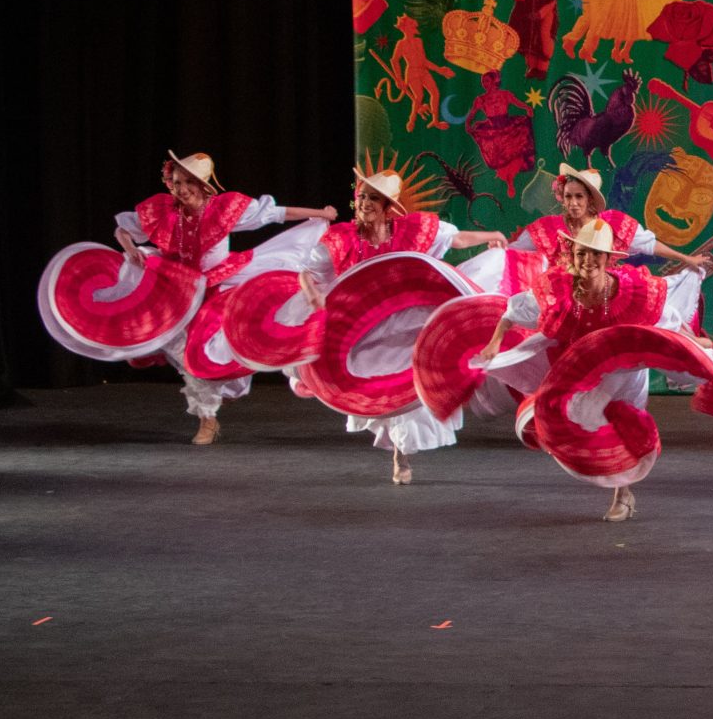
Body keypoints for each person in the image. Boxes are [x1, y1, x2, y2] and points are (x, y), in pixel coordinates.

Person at [226, 171, 506, 484]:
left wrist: (490, 235)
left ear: (388, 207)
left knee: (410, 382)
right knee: (374, 387)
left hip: (406, 319)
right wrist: (313, 292)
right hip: (361, 328)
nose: (365, 203)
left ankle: (402, 454)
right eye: (362, 197)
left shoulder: (413, 230)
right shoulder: (343, 237)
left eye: (373, 198)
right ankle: (395, 445)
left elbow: (456, 239)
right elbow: (307, 271)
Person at [38, 151, 335, 445]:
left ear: (204, 185)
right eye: (177, 182)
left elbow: (274, 213)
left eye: (188, 183)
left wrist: (320, 214)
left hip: (220, 285)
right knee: (188, 357)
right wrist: (131, 251)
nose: (181, 189)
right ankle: (208, 420)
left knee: (227, 347)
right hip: (174, 290)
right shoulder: (164, 212)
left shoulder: (224, 209)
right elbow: (123, 229)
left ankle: (224, 389)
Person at [476, 219, 713, 522]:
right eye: (581, 254)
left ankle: (622, 493)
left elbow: (664, 322)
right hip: (582, 370)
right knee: (567, 418)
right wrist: (493, 343)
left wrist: (695, 342)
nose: (588, 261)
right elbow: (512, 312)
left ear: (607, 259)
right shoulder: (559, 289)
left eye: (595, 255)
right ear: (573, 255)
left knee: (624, 425)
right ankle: (601, 470)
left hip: (626, 373)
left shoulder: (633, 292)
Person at [510, 165, 713, 312]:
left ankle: (688, 339)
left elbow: (649, 245)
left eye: (579, 196)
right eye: (568, 197)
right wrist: (498, 250)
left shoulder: (611, 224)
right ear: (562, 198)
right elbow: (513, 252)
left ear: (589, 199)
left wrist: (687, 259)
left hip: (605, 295)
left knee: (654, 304)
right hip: (564, 300)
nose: (573, 203)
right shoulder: (548, 228)